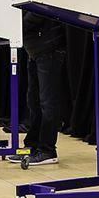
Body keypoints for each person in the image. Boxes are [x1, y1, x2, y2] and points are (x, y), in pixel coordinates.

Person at [8, 11, 66, 166]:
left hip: (49, 48)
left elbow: (39, 11)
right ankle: (33, 145)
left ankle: (47, 150)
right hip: (35, 49)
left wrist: (14, 25)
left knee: (48, 102)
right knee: (34, 102)